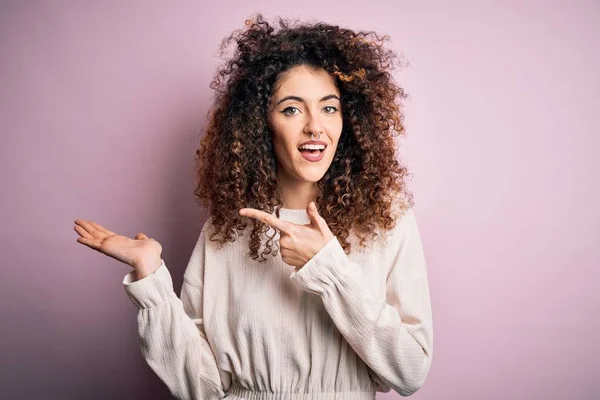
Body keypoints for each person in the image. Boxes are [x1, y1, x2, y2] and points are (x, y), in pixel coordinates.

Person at [73, 14, 433, 400]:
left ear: (349, 118)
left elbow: (410, 371)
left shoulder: (385, 220)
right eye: (292, 109)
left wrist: (329, 268)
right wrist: (152, 279)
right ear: (262, 123)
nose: (315, 126)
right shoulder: (227, 228)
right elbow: (203, 387)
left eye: (329, 108)